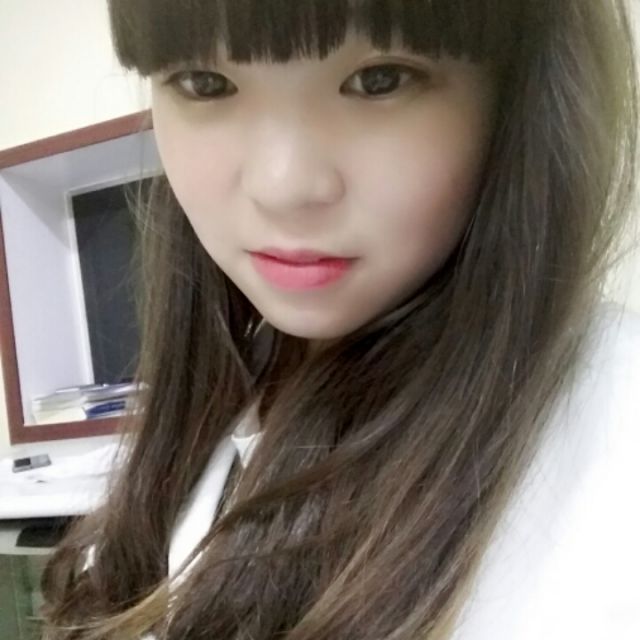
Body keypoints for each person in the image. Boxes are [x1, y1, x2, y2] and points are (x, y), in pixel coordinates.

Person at [40, 1, 640, 639]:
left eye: (380, 80)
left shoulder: (612, 435)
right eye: (205, 83)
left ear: (516, 92)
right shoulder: (227, 384)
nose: (283, 186)